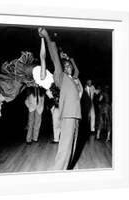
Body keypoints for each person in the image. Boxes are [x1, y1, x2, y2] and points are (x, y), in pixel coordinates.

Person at [38, 27, 82, 170]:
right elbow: (55, 57)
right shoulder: (61, 77)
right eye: (67, 66)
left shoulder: (73, 78)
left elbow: (77, 71)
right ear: (63, 69)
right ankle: (58, 172)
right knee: (65, 146)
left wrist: (70, 58)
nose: (69, 68)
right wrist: (46, 36)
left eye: (70, 66)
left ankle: (67, 169)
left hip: (76, 115)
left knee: (73, 147)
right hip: (68, 114)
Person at [0, 37, 49, 123]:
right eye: (53, 96)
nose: (50, 97)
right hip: (21, 68)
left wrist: (43, 39)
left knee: (15, 89)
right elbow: (42, 56)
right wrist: (43, 38)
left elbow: (42, 57)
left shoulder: (47, 82)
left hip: (27, 72)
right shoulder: (42, 77)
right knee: (12, 92)